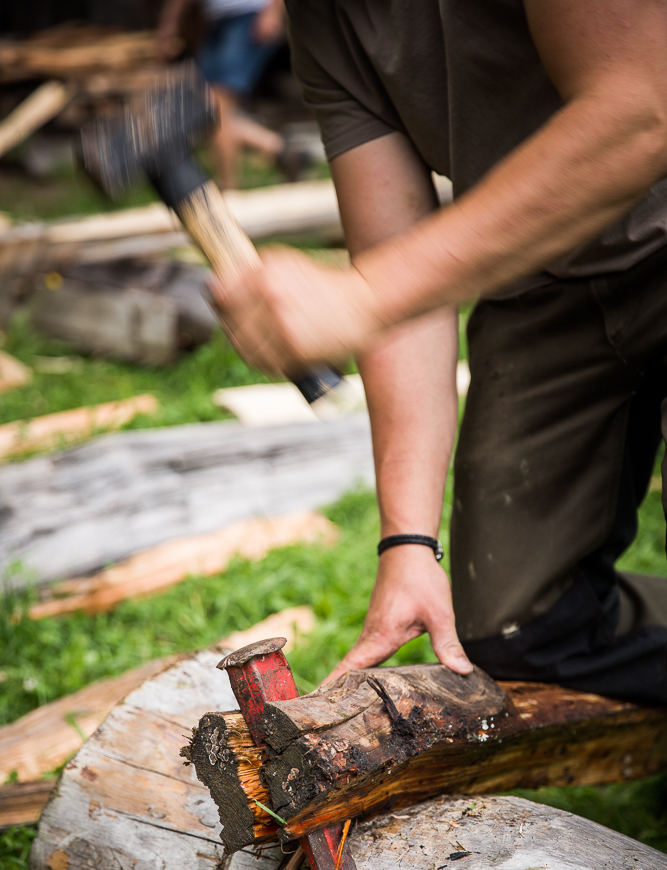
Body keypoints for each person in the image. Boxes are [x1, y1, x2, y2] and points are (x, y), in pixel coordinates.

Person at [211, 0, 667, 703]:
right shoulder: (325, 22)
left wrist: (360, 297)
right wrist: (407, 545)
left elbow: (639, 112)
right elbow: (396, 274)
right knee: (515, 629)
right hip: (549, 281)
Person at [158, 0, 289, 188]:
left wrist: (275, 11)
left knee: (216, 105)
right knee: (206, 104)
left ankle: (228, 186)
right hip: (216, 21)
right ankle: (277, 149)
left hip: (249, 15)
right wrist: (171, 23)